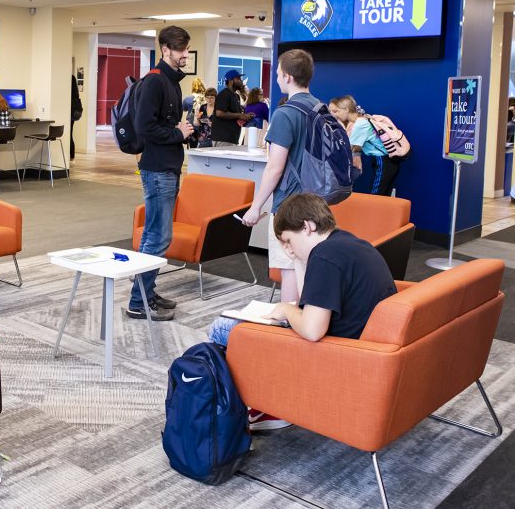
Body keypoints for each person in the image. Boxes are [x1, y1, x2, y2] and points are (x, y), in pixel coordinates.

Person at [208, 192, 396, 430]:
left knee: (222, 328)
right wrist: (297, 259)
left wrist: (287, 310)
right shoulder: (348, 244)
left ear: (307, 227)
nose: (287, 248)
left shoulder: (325, 257)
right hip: (361, 348)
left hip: (336, 354)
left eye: (287, 240)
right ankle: (270, 399)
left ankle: (255, 407)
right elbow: (309, 300)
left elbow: (312, 330)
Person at [241, 48, 322, 303]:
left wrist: (255, 207)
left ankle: (289, 320)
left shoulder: (286, 113)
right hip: (317, 202)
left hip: (290, 204)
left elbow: (275, 167)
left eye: (277, 74)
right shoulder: (320, 109)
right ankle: (309, 317)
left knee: (289, 269)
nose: (276, 79)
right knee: (307, 267)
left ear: (288, 76)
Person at [126, 26, 194, 322]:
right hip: (157, 169)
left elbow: (163, 124)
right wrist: (177, 133)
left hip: (167, 166)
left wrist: (182, 131)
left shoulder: (172, 81)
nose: (186, 54)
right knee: (159, 236)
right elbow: (145, 127)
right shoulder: (154, 82)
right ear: (165, 49)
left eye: (186, 48)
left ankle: (146, 292)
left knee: (154, 234)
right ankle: (137, 302)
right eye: (181, 49)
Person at [330, 95, 403, 197]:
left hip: (382, 161)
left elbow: (349, 148)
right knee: (384, 195)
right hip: (387, 160)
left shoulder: (360, 124)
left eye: (336, 111)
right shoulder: (363, 119)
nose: (334, 115)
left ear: (346, 109)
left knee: (376, 196)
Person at [211, 69, 252, 145]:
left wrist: (245, 116)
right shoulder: (224, 94)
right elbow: (219, 113)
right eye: (238, 79)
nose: (241, 81)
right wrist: (239, 115)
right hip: (223, 138)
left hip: (232, 138)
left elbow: (234, 114)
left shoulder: (236, 96)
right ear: (231, 81)